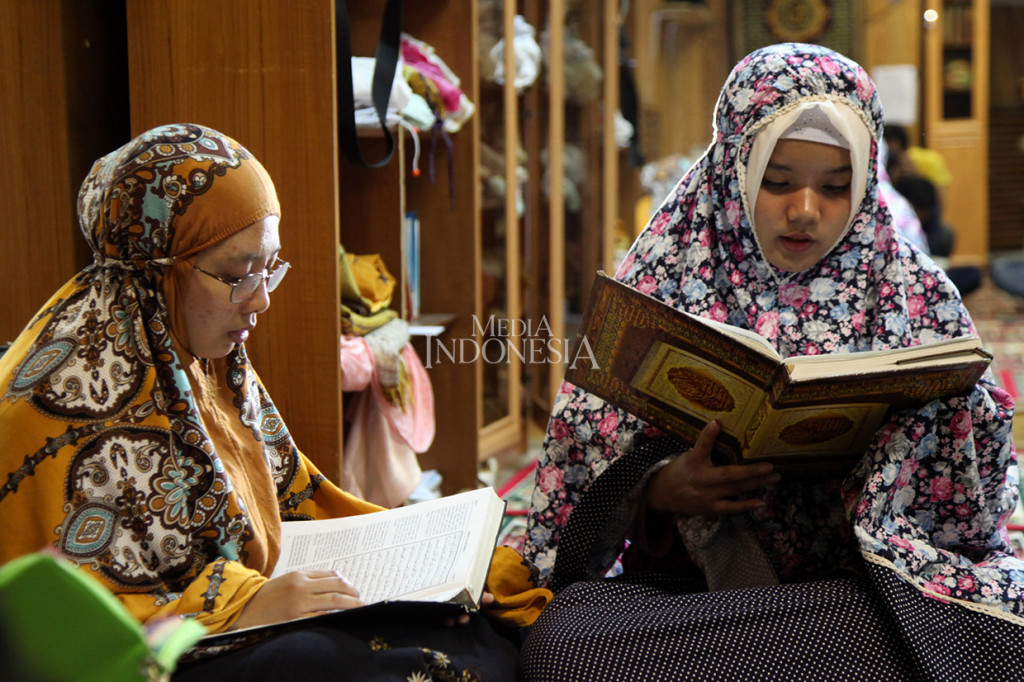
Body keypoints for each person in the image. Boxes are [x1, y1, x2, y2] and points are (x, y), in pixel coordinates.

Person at [521, 43, 1023, 679]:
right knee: (563, 648)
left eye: (837, 188)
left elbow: (971, 515)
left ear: (867, 186)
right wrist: (662, 489)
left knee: (995, 631)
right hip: (697, 601)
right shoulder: (666, 275)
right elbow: (579, 466)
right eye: (778, 182)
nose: (806, 210)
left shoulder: (913, 293)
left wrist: (927, 443)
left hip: (853, 593)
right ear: (734, 171)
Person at [0, 123, 548, 681]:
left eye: (270, 268)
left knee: (470, 629)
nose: (260, 299)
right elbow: (72, 627)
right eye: (239, 274)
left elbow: (289, 503)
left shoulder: (189, 347)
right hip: (159, 657)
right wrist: (240, 604)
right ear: (156, 269)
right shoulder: (62, 397)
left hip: (237, 609)